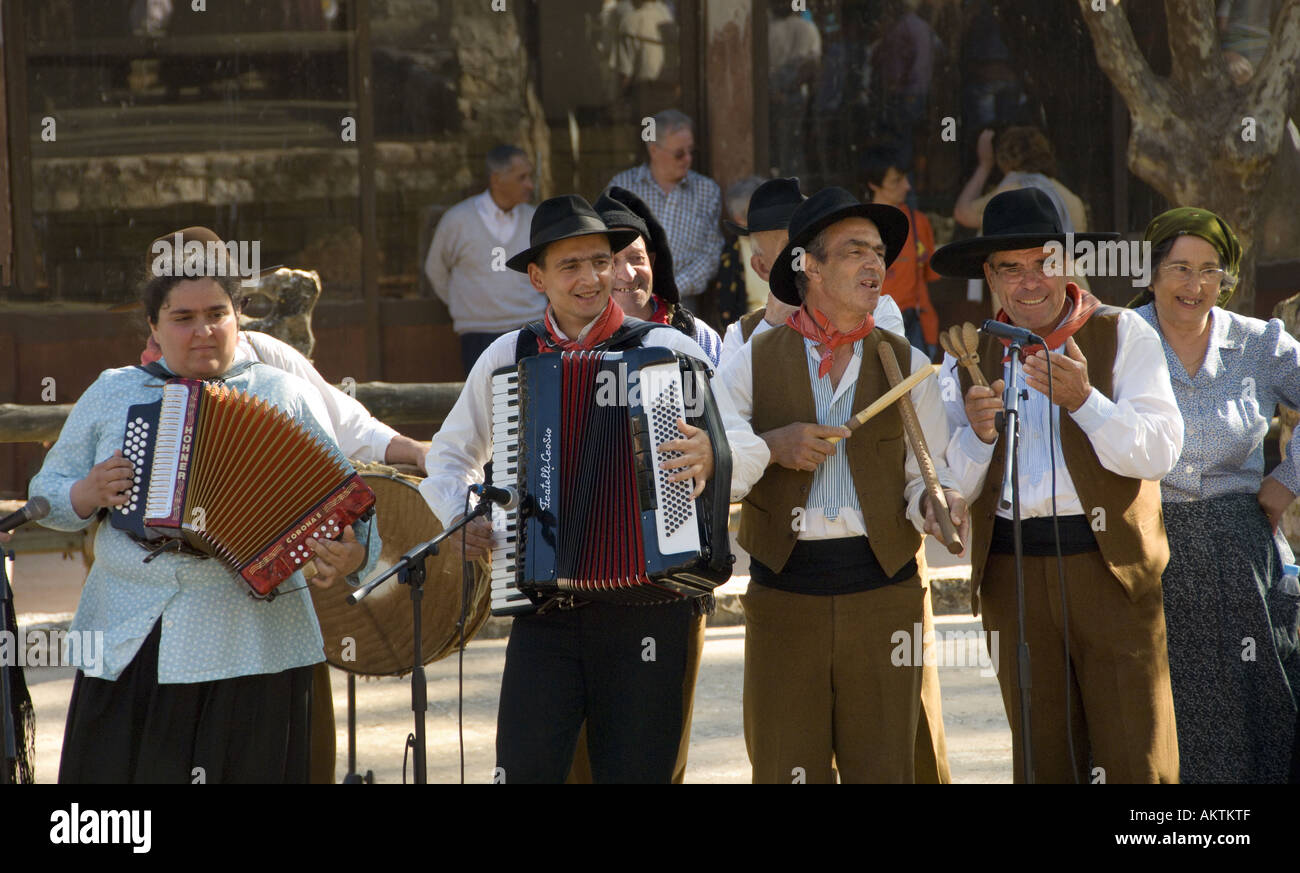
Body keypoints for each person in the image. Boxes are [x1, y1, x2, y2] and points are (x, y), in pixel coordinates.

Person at [420, 195, 768, 783]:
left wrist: (716, 453)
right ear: (537, 277)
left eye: (600, 262)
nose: (591, 279)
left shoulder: (668, 350)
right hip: (544, 609)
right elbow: (449, 458)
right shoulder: (509, 357)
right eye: (571, 266)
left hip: (651, 610)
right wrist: (461, 517)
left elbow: (752, 449)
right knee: (525, 768)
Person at [30, 227, 381, 783]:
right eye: (183, 318)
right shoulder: (112, 392)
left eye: (216, 313)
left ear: (238, 317)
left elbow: (350, 508)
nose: (202, 332)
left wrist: (350, 552)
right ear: (153, 325)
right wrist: (86, 492)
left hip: (254, 643)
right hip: (131, 634)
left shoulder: (280, 393)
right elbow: (44, 498)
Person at [715, 186, 968, 783]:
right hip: (784, 596)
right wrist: (773, 447)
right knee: (785, 769)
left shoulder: (905, 364)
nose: (875, 264)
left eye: (879, 252)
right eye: (855, 250)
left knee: (885, 770)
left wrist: (936, 502)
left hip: (883, 594)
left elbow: (927, 474)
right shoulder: (750, 359)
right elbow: (716, 466)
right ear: (809, 265)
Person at [932, 188, 1184, 783]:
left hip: (1110, 570)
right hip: (1013, 573)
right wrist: (978, 437)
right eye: (1009, 269)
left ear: (1068, 264)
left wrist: (1085, 402)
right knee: (1042, 755)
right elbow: (951, 490)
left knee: (1136, 755)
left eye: (1043, 262)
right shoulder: (967, 354)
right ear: (990, 279)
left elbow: (1160, 452)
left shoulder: (1123, 332)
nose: (1029, 282)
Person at [1130, 206, 1299, 783]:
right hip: (1149, 547)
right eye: (1179, 268)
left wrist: (1287, 479)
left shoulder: (1258, 343)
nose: (1195, 285)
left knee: (1260, 699)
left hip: (1242, 546)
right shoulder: (1122, 341)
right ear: (1151, 274)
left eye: (1210, 270)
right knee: (1167, 706)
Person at [719, 177, 906, 367]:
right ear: (761, 267)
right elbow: (728, 393)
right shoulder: (741, 334)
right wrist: (770, 326)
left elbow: (884, 381)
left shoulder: (880, 311)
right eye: (793, 250)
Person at [425, 145, 542, 376]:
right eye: (522, 177)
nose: (530, 185)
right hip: (477, 335)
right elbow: (435, 269)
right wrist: (467, 306)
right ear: (497, 179)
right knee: (486, 407)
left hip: (531, 331)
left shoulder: (535, 219)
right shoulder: (457, 220)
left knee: (536, 404)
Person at [609, 110, 724, 317]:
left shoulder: (706, 190)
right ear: (653, 150)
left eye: (691, 151)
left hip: (684, 301)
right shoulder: (623, 186)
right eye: (679, 153)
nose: (687, 159)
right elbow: (607, 246)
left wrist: (671, 287)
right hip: (627, 295)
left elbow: (710, 253)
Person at [596, 185, 723, 365]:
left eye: (636, 258)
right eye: (611, 262)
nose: (628, 275)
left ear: (652, 261)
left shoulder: (697, 337)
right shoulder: (575, 343)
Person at [865, 149, 941, 357]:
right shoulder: (857, 227)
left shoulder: (918, 222)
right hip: (870, 331)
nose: (906, 186)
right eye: (896, 180)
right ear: (873, 184)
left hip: (917, 330)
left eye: (906, 178)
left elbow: (930, 276)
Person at [954, 126, 1087, 233]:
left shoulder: (1011, 192)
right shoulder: (1072, 199)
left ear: (1002, 157)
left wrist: (985, 165)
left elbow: (963, 214)